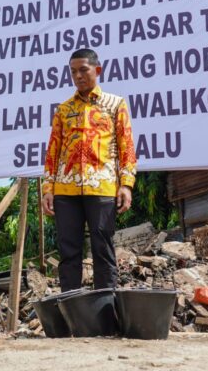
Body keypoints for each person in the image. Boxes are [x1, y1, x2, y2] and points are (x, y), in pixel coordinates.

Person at [41, 48, 137, 292]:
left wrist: (126, 184)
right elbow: (53, 151)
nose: (78, 76)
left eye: (83, 70)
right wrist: (48, 188)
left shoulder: (115, 104)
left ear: (98, 70)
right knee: (68, 250)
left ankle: (106, 308)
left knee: (103, 248)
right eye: (73, 72)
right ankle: (71, 308)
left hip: (103, 185)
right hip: (65, 189)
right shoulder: (63, 110)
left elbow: (126, 146)